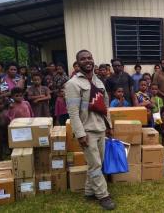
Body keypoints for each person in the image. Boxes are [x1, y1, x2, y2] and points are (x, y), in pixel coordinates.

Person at [65, 49, 115, 210]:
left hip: (100, 128)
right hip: (87, 131)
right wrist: (80, 134)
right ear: (77, 63)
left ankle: (88, 191)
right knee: (95, 165)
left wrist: (109, 126)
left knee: (96, 163)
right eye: (83, 59)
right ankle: (103, 195)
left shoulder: (98, 82)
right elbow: (73, 112)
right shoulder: (72, 84)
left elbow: (105, 106)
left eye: (90, 58)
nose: (87, 61)